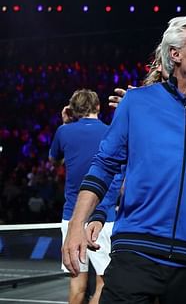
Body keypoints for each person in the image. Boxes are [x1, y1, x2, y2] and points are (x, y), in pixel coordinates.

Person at [62, 14, 186, 304]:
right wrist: (78, 225)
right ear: (176, 54)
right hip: (135, 253)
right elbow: (104, 166)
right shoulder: (137, 102)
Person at [49, 89, 119, 304]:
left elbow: (54, 162)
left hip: (71, 217)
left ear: (72, 109)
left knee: (77, 284)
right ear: (98, 107)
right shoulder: (109, 131)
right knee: (103, 283)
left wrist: (64, 124)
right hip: (102, 216)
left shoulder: (63, 132)